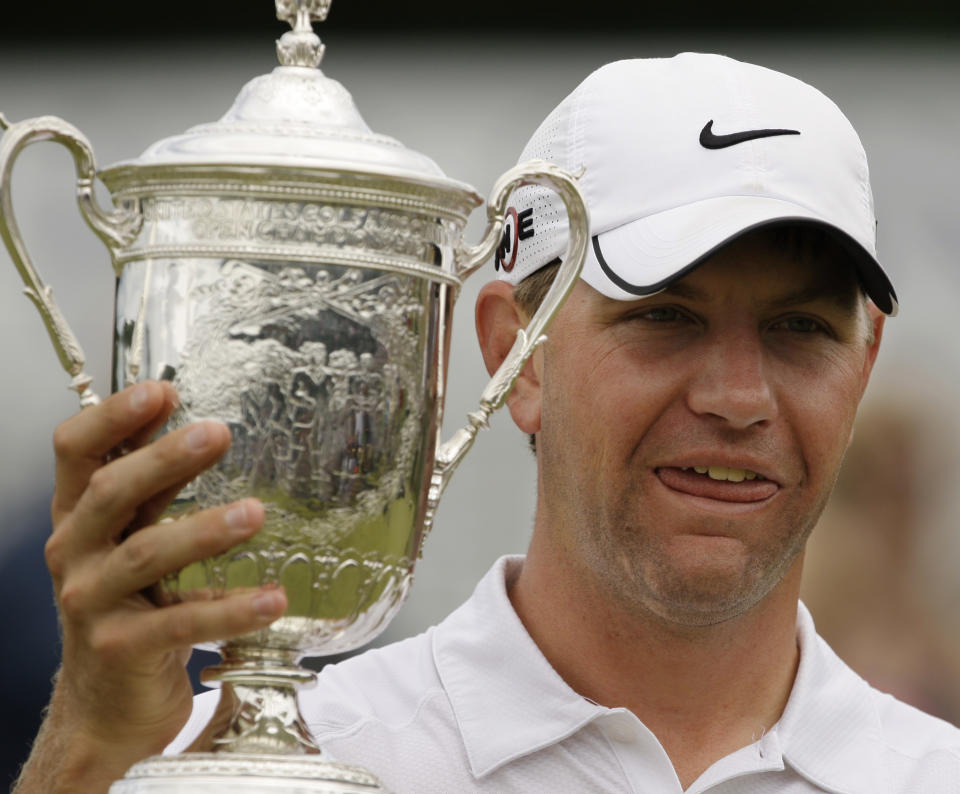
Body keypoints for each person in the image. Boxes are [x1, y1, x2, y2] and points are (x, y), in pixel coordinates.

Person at [14, 53, 960, 793]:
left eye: (801, 329)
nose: (739, 396)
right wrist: (87, 752)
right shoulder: (264, 765)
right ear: (519, 356)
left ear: (864, 364)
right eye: (665, 316)